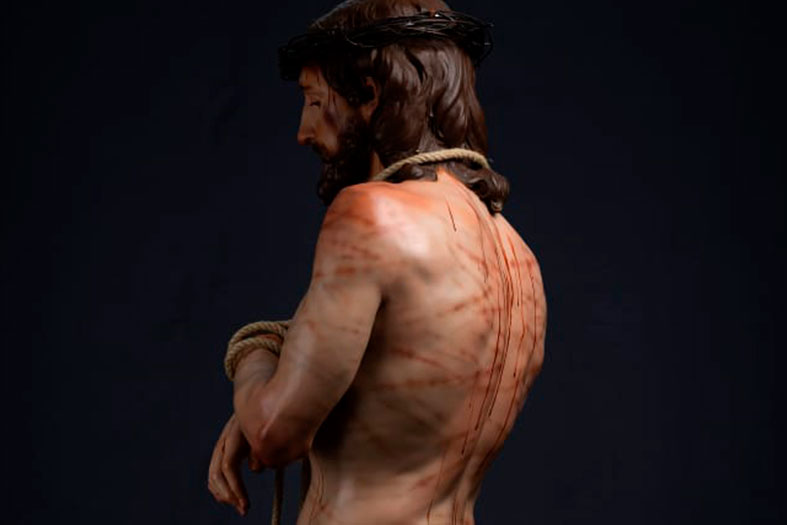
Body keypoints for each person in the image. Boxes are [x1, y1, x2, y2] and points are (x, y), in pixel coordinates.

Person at [208, 1, 547, 523]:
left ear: (368, 95)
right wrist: (282, 381)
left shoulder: (371, 212)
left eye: (315, 101)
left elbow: (274, 434)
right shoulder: (517, 255)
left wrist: (254, 354)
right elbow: (387, 373)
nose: (303, 131)